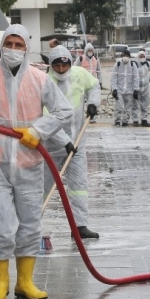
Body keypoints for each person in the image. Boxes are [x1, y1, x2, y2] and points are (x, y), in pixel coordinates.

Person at [0, 24, 74, 299]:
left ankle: (25, 282)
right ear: (2, 45)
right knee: (1, 225)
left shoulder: (38, 79)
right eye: (9, 43)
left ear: (27, 48)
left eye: (19, 45)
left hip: (29, 162)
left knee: (31, 223)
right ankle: (1, 282)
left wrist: (38, 130)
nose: (13, 50)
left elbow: (63, 110)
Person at [43, 45, 102, 239]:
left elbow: (94, 85)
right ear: (51, 65)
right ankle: (32, 223)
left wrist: (93, 103)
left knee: (78, 186)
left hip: (77, 141)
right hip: (51, 146)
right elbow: (44, 118)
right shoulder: (44, 83)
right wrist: (64, 141)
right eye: (57, 66)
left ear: (69, 63)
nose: (61, 70)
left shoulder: (79, 74)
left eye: (64, 65)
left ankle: (80, 225)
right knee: (44, 186)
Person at [110, 50, 139, 127]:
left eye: (127, 56)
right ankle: (117, 121)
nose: (125, 57)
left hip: (129, 90)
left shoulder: (133, 65)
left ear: (129, 57)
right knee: (118, 106)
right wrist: (114, 89)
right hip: (119, 89)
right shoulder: (117, 65)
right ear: (122, 56)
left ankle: (125, 121)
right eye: (124, 55)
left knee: (128, 107)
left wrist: (136, 90)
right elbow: (113, 78)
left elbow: (136, 78)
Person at [132, 50, 150, 127]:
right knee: (135, 104)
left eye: (143, 56)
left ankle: (144, 119)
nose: (142, 58)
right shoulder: (134, 64)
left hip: (145, 88)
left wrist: (149, 79)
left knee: (145, 104)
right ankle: (135, 120)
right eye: (140, 56)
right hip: (136, 88)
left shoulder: (148, 64)